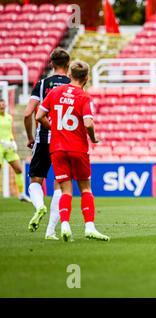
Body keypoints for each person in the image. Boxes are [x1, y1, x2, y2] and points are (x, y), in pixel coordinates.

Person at [35, 60, 109, 242]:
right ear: (87, 78)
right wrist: (93, 138)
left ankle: (65, 225)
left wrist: (53, 128)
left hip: (57, 148)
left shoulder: (54, 92)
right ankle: (89, 227)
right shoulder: (83, 97)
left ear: (69, 75)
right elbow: (88, 123)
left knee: (65, 190)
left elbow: (38, 115)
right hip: (77, 148)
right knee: (85, 189)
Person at [24, 47, 71, 239]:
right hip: (65, 141)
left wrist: (30, 137)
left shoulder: (42, 84)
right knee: (60, 185)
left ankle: (39, 205)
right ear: (68, 65)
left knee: (35, 180)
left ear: (51, 64)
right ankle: (50, 231)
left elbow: (28, 113)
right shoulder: (73, 83)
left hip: (43, 138)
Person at [0, 98, 31, 202]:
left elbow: (10, 131)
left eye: (3, 105)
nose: (2, 107)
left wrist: (13, 141)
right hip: (0, 146)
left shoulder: (9, 117)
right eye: (0, 105)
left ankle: (22, 194)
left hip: (9, 146)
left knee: (18, 169)